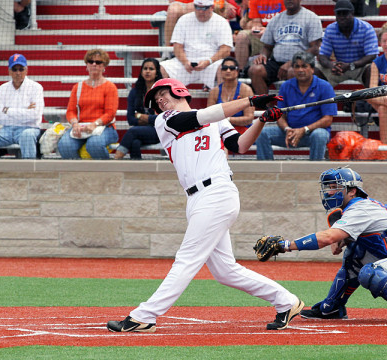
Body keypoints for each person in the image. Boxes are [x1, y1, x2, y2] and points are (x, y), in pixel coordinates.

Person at [107, 78, 304, 333]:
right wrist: (251, 102)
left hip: (218, 193)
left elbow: (239, 146)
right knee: (225, 271)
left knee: (187, 259)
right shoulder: (165, 120)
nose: (159, 100)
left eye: (161, 94)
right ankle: (287, 302)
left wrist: (261, 120)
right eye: (155, 100)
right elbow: (196, 118)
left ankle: (144, 316)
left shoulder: (217, 117)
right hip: (197, 198)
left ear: (178, 90)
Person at [269, 166, 387, 325]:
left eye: (335, 187)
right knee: (355, 253)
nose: (329, 192)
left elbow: (327, 238)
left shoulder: (360, 208)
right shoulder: (357, 208)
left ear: (352, 191)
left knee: (371, 273)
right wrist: (345, 241)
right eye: (329, 187)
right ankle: (331, 308)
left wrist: (285, 245)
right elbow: (342, 241)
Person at [256, 52, 336, 160]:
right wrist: (287, 129)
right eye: (297, 66)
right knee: (262, 133)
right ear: (293, 69)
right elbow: (280, 115)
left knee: (320, 135)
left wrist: (304, 129)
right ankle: (266, 172)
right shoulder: (286, 86)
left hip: (312, 132)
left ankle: (315, 172)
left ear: (312, 69)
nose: (300, 70)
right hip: (290, 132)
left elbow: (327, 119)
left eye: (304, 66)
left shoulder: (325, 87)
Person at [248, 0, 323, 94]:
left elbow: (315, 48)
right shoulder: (276, 19)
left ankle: (294, 107)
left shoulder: (311, 17)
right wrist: (263, 55)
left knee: (293, 71)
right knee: (255, 70)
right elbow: (267, 47)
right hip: (277, 63)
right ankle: (268, 106)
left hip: (302, 62)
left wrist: (293, 62)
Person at [58, 49, 119, 159]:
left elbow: (110, 113)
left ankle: (106, 172)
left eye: (98, 62)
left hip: (105, 127)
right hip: (81, 126)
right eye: (91, 61)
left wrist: (94, 124)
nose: (94, 64)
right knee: (64, 145)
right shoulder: (78, 87)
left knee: (94, 145)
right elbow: (71, 111)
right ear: (86, 65)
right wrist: (75, 124)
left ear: (104, 65)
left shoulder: (110, 87)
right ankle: (78, 172)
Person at [160, 0, 233, 90]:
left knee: (225, 68)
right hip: (186, 62)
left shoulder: (221, 22)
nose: (201, 11)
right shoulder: (184, 20)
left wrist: (208, 61)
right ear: (194, 6)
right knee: (161, 68)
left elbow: (226, 50)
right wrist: (185, 62)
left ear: (212, 7)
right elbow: (177, 47)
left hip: (211, 63)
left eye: (204, 8)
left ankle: (223, 102)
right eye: (198, 7)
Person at [0, 54, 43, 159]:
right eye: (14, 69)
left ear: (26, 70)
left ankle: (29, 171)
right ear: (9, 71)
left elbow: (35, 115)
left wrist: (7, 110)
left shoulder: (36, 87)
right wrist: (25, 111)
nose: (18, 73)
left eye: (21, 69)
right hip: (6, 130)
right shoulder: (2, 88)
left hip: (29, 128)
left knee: (27, 135)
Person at [315, 0, 378, 88]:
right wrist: (332, 65)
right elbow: (322, 56)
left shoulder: (366, 28)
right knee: (315, 70)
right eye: (339, 14)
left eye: (345, 14)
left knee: (372, 69)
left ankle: (371, 100)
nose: (341, 17)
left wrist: (350, 66)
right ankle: (325, 99)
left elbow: (372, 55)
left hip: (360, 68)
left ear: (352, 13)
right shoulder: (330, 29)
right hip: (339, 69)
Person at [114, 58, 163, 160]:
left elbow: (161, 119)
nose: (147, 71)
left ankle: (116, 159)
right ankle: (136, 170)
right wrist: (150, 119)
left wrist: (140, 116)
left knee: (132, 132)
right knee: (135, 142)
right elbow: (130, 119)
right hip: (142, 131)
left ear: (157, 73)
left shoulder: (162, 92)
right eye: (145, 68)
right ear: (141, 71)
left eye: (151, 69)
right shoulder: (135, 92)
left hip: (159, 131)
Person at [207, 56, 254, 135]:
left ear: (237, 71)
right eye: (225, 68)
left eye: (232, 68)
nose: (228, 71)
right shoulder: (214, 92)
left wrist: (228, 119)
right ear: (221, 71)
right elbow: (208, 116)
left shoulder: (245, 90)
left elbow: (249, 119)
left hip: (242, 131)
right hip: (220, 130)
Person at [234, 0, 285, 71]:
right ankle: (240, 72)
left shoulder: (284, 1)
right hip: (264, 35)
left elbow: (286, 23)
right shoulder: (254, 1)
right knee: (241, 36)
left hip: (282, 34)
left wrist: (268, 30)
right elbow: (256, 22)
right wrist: (257, 28)